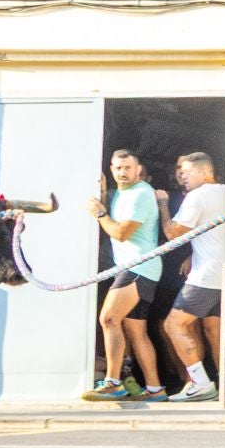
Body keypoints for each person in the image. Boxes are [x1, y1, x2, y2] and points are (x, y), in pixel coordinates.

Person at [82, 149, 166, 401]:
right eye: (118, 168)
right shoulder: (122, 193)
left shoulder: (141, 194)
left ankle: (113, 382)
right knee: (135, 330)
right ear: (111, 168)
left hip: (138, 268)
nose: (123, 172)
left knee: (108, 319)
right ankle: (155, 389)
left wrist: (99, 213)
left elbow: (120, 233)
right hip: (139, 269)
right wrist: (105, 196)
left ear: (138, 170)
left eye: (128, 168)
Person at [161, 153, 225, 403]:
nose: (183, 177)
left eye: (188, 172)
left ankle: (200, 382)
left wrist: (163, 204)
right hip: (224, 273)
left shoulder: (197, 196)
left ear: (204, 173)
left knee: (173, 325)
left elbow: (173, 233)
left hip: (205, 275)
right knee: (213, 329)